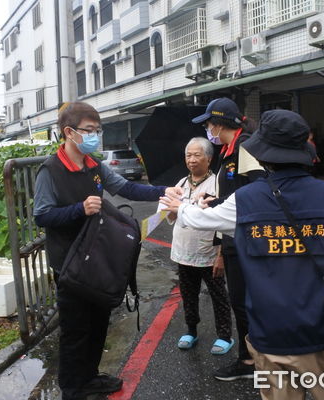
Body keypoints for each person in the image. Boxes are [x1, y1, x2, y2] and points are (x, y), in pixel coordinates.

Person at [161, 109, 324, 400]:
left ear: (264, 156)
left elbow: (199, 220)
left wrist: (180, 205)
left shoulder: (244, 200)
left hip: (271, 333)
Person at [33, 101, 183, 400]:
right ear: (69, 132)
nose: (94, 137)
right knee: (76, 330)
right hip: (70, 262)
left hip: (98, 258)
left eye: (97, 131)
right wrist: (79, 209)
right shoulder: (50, 170)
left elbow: (127, 189)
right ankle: (73, 389)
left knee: (98, 322)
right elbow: (42, 215)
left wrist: (162, 191)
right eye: (89, 131)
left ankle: (90, 377)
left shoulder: (95, 166)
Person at [191, 97, 264, 380]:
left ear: (219, 125)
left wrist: (215, 203)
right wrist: (216, 201)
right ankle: (252, 357)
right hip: (235, 237)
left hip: (246, 238)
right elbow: (237, 192)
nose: (209, 130)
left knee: (245, 302)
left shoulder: (245, 148)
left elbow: (255, 192)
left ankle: (250, 362)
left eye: (209, 124)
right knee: (242, 301)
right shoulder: (231, 150)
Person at [163, 137, 233, 354]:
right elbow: (171, 218)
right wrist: (172, 207)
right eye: (188, 155)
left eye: (197, 155)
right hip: (183, 251)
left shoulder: (217, 184)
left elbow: (223, 222)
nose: (192, 160)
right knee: (188, 294)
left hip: (209, 251)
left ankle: (224, 335)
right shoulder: (180, 185)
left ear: (209, 158)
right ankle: (191, 330)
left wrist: (221, 254)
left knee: (218, 294)